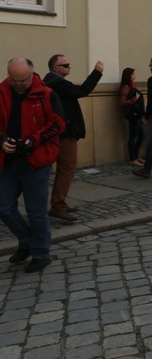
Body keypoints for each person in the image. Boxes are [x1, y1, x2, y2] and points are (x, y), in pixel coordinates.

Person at [0, 58, 65, 273]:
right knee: (4, 207)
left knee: (36, 211)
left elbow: (57, 124)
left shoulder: (46, 94)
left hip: (35, 160)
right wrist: (2, 141)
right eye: (14, 80)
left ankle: (41, 253)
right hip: (8, 162)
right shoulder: (2, 92)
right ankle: (27, 242)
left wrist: (33, 140)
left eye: (23, 80)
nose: (18, 84)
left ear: (32, 74)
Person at [44, 54, 103, 222]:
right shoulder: (59, 84)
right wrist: (96, 73)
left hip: (57, 133)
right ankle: (58, 206)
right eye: (66, 65)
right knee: (67, 169)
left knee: (60, 169)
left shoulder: (50, 83)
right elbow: (82, 91)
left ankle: (58, 202)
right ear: (56, 68)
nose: (69, 67)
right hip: (65, 134)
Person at [120, 68, 145, 166]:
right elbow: (122, 102)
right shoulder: (125, 87)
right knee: (133, 136)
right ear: (128, 76)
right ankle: (132, 158)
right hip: (132, 115)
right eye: (133, 74)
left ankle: (136, 156)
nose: (135, 76)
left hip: (137, 114)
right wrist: (133, 100)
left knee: (141, 136)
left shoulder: (132, 85)